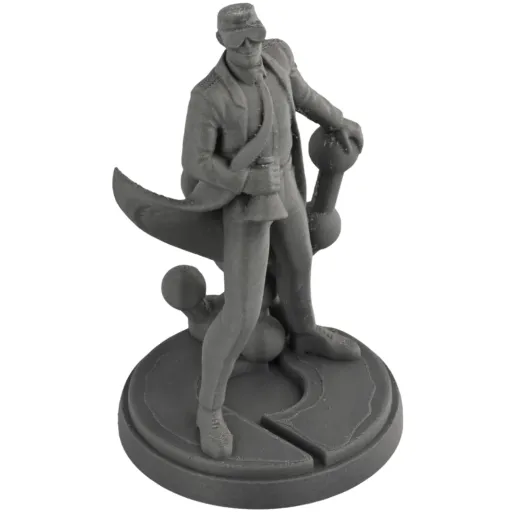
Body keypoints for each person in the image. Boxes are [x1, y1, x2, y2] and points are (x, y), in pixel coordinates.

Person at [180, 3, 365, 459]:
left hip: (285, 186)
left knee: (299, 263)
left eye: (255, 37)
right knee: (241, 312)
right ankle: (209, 410)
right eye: (239, 41)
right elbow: (195, 162)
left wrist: (337, 119)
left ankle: (305, 332)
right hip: (245, 205)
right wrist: (244, 180)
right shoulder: (208, 96)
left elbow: (303, 95)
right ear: (222, 42)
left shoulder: (278, 56)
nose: (250, 48)